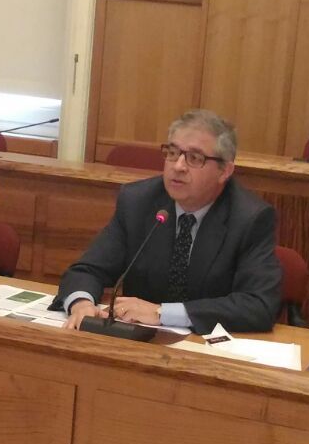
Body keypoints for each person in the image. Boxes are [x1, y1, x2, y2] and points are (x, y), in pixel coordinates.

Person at [57, 109, 281, 334]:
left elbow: (259, 305)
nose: (178, 166)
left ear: (225, 171)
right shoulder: (138, 202)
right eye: (173, 153)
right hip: (139, 341)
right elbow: (86, 270)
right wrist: (82, 303)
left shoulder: (250, 218)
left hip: (204, 347)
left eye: (195, 158)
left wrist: (162, 313)